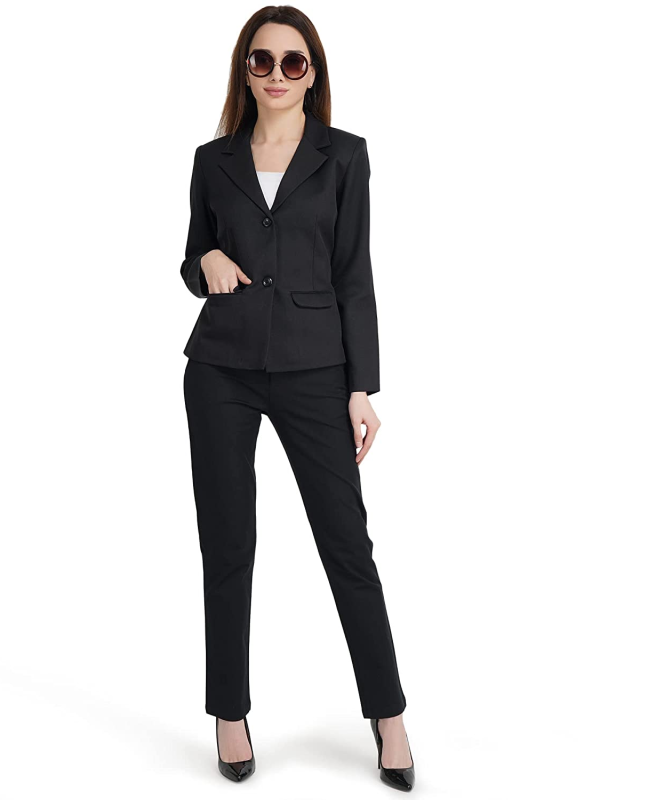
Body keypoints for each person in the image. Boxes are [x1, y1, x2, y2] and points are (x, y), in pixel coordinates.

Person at [180, 7, 415, 791]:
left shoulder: (343, 156)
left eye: (293, 61)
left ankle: (388, 715)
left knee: (346, 544)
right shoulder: (212, 160)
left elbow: (355, 274)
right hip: (221, 368)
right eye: (262, 61)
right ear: (244, 72)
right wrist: (207, 259)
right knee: (227, 545)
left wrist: (361, 387)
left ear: (312, 72)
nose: (277, 74)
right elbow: (191, 257)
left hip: (316, 369)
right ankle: (229, 713)